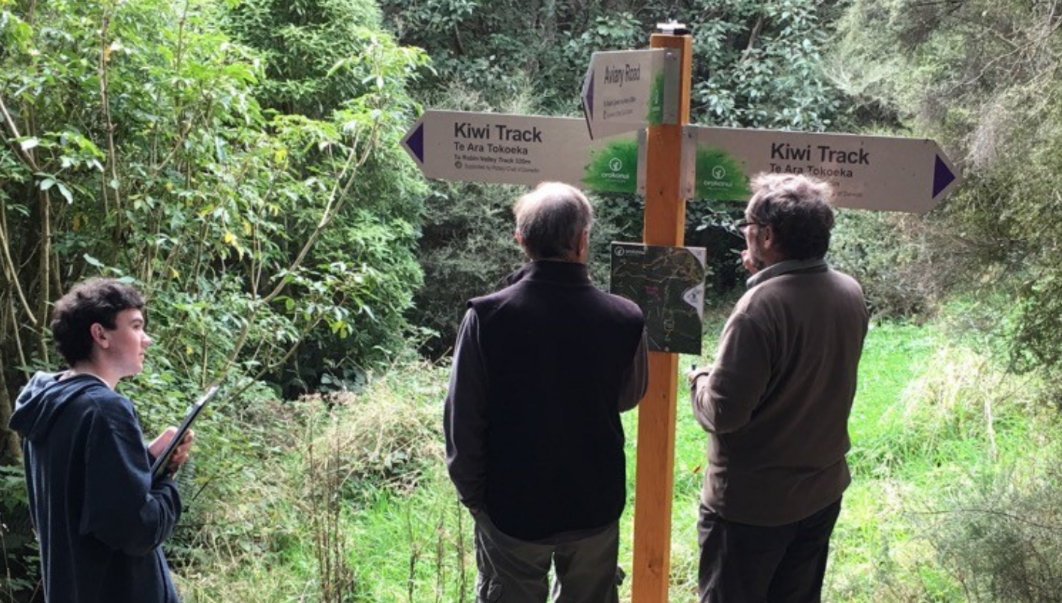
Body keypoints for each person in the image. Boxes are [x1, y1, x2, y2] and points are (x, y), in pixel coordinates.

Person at [444, 181, 648, 603]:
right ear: (582, 240)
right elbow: (629, 395)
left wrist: (475, 499)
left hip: (512, 504)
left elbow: (462, 418)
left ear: (522, 240)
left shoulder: (487, 316)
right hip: (595, 499)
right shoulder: (625, 318)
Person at [688, 173, 869, 603]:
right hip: (821, 493)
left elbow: (723, 413)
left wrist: (698, 378)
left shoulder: (758, 310)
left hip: (753, 507)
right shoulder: (849, 291)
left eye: (747, 227)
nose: (744, 235)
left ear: (766, 236)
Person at [9, 278, 194, 603]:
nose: (146, 339)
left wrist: (148, 459)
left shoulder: (48, 402)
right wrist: (169, 480)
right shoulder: (104, 410)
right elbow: (138, 529)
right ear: (100, 334)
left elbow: (88, 497)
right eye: (136, 326)